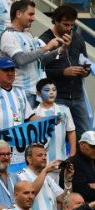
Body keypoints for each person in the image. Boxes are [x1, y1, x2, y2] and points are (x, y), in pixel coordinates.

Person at [40, 5, 91, 134]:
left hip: (77, 95)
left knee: (86, 135)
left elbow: (85, 61)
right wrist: (63, 72)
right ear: (56, 21)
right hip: (57, 97)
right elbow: (39, 70)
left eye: (72, 25)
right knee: (57, 135)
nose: (69, 28)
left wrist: (85, 71)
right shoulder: (45, 40)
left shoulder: (77, 38)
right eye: (66, 24)